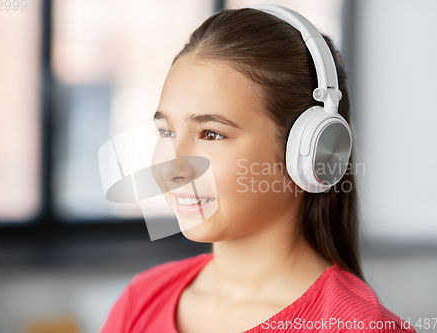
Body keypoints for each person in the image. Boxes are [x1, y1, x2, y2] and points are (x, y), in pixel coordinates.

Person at [99, 6, 417, 333]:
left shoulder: (359, 327)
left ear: (307, 152)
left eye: (211, 134)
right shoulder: (140, 301)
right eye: (166, 132)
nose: (172, 168)